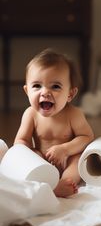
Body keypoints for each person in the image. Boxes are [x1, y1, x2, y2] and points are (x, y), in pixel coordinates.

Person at [14, 49, 94, 197]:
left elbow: (86, 137)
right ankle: (45, 181)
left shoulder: (74, 114)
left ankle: (64, 182)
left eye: (55, 86)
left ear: (70, 94)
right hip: (41, 161)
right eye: (37, 86)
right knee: (29, 153)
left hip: (67, 160)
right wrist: (27, 154)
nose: (45, 92)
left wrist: (65, 149)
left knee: (79, 159)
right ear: (27, 91)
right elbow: (21, 140)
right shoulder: (30, 114)